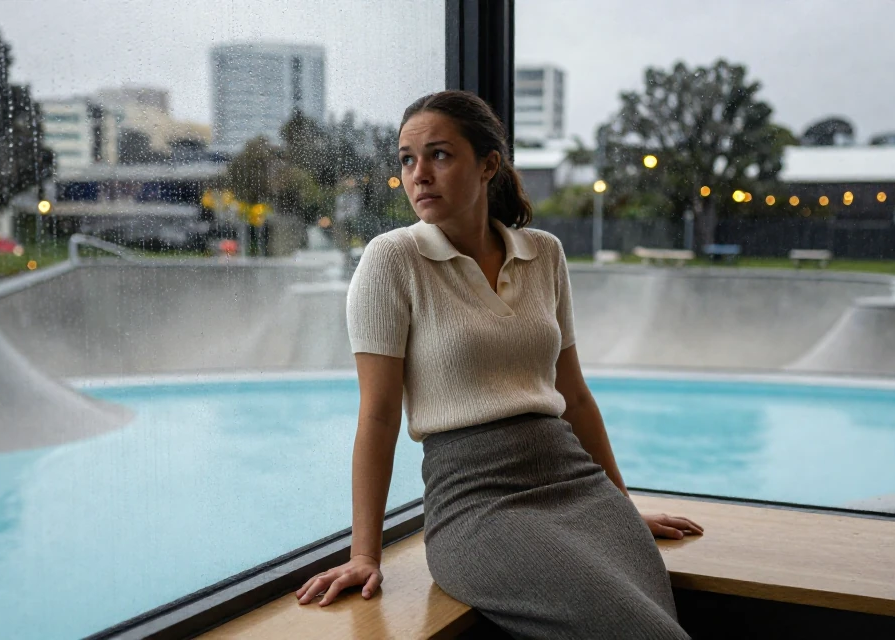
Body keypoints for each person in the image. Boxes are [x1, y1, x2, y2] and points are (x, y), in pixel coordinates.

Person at [296, 90, 702, 639]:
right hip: (477, 503)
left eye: (439, 155)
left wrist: (624, 507)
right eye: (407, 159)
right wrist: (365, 554)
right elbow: (378, 416)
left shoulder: (545, 254)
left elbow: (574, 397)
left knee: (656, 623)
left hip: (577, 485)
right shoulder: (392, 259)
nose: (419, 174)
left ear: (489, 165)